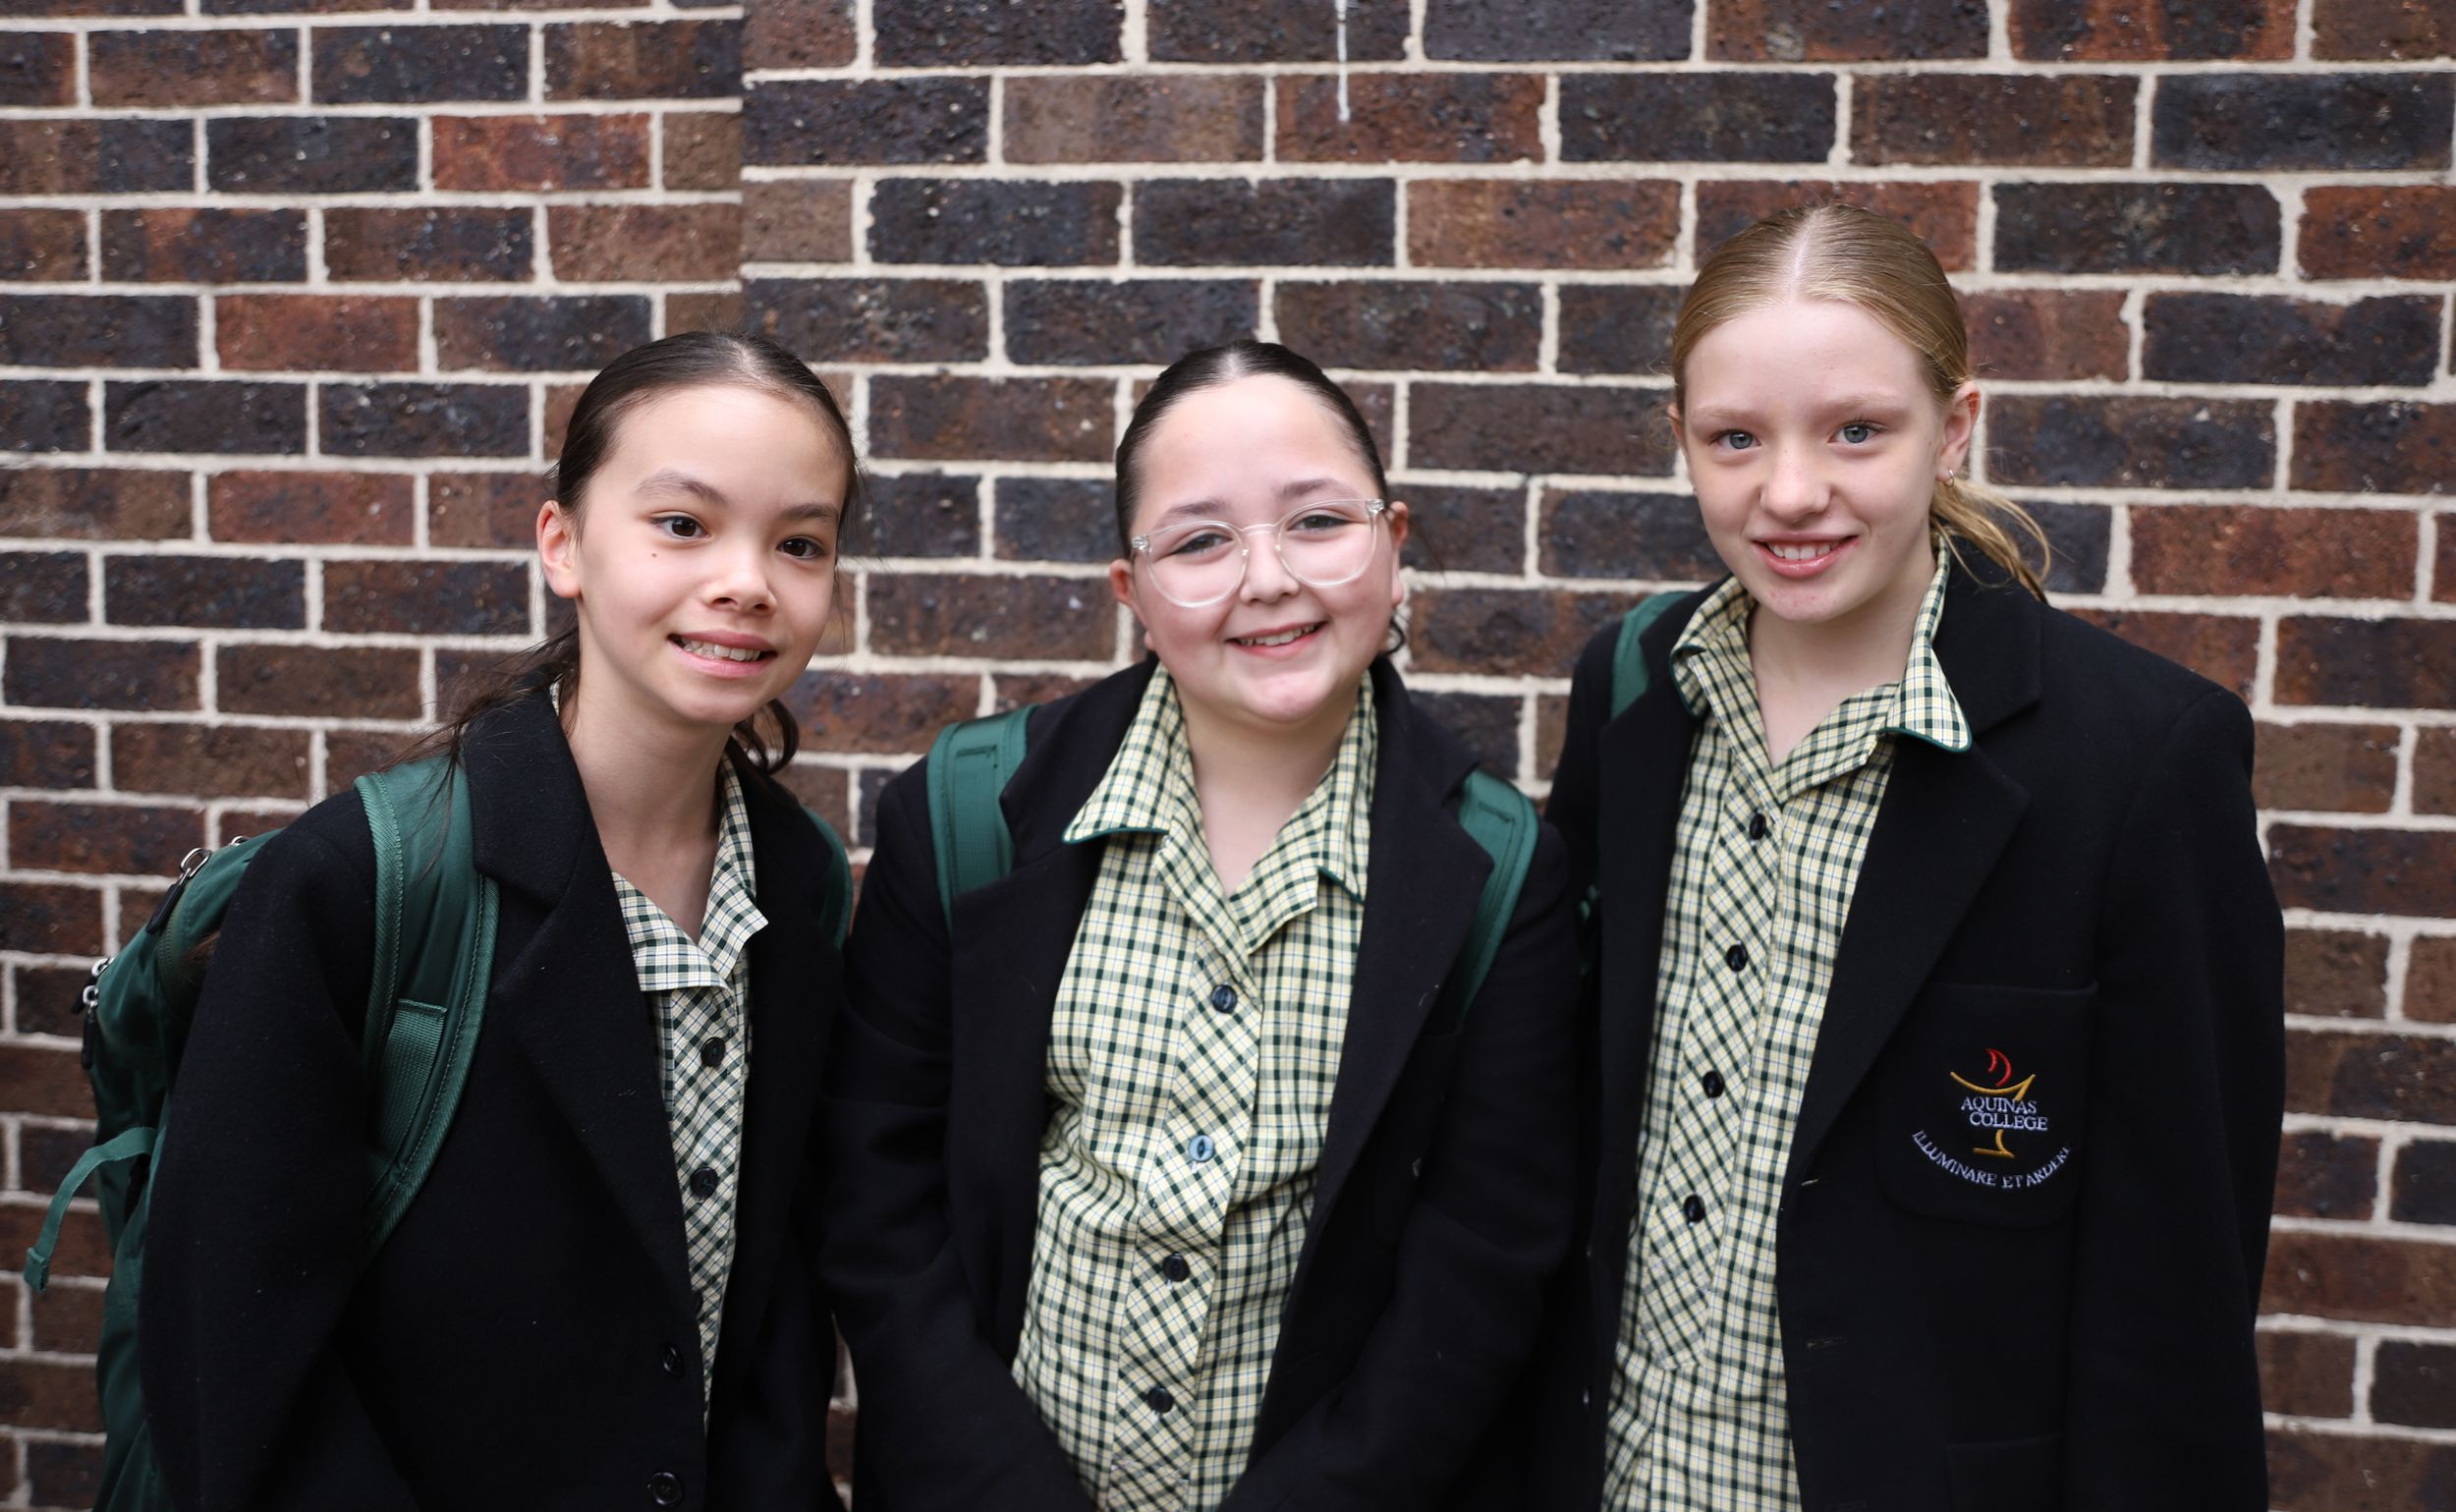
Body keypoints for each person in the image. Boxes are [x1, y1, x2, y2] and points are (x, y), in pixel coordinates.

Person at [1533, 205, 2284, 1512]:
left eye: (1856, 430)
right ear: (1681, 438)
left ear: (1955, 425)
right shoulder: (1635, 692)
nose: (1789, 491)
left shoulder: (2139, 761)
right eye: (1734, 438)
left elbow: (2177, 1278)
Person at [821, 340, 1582, 1512]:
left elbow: (1480, 1259)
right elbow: (880, 1194)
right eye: (1199, 541)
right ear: (1131, 591)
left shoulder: (1495, 869)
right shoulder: (969, 814)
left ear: (1393, 542)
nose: (1267, 578)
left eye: (1316, 522)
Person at [140, 332, 862, 1511]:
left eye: (800, 542)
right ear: (563, 543)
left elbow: (770, 1288)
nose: (747, 579)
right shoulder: (357, 880)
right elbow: (235, 1352)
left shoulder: (799, 876)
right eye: (683, 523)